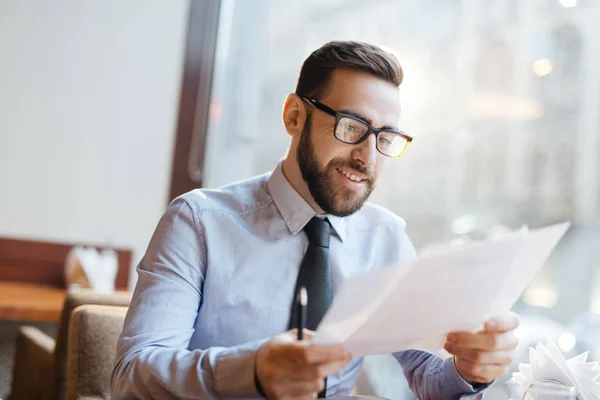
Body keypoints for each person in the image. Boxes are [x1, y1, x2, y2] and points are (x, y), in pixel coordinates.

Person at [111, 41, 519, 399]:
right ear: (294, 117)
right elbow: (132, 375)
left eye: (384, 137)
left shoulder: (385, 238)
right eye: (352, 127)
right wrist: (251, 371)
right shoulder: (198, 223)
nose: (367, 157)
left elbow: (427, 375)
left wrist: (469, 368)